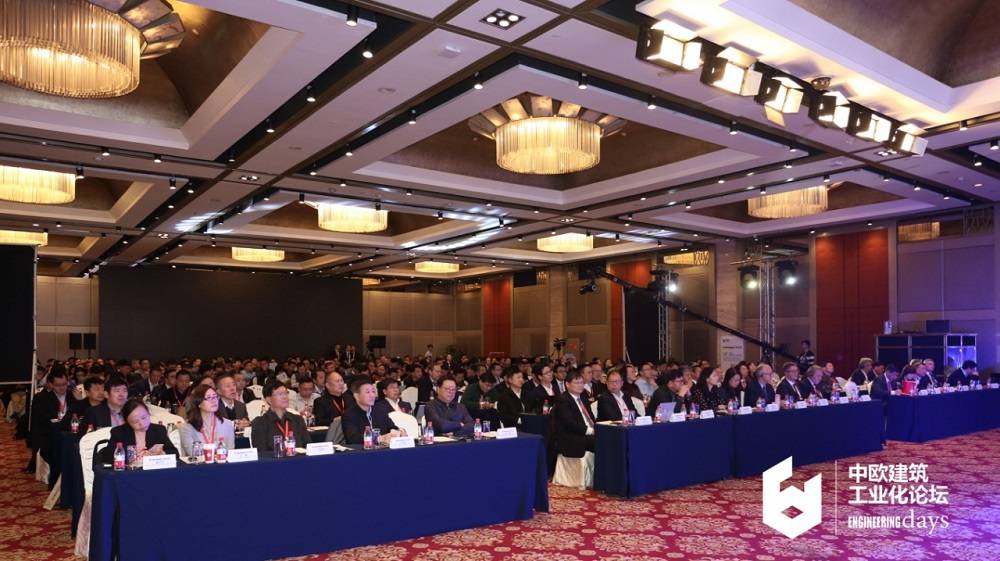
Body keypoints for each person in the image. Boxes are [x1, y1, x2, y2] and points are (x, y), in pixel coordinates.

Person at [100, 399, 178, 463]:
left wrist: (161, 454)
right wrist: (133, 455)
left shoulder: (158, 430)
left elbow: (174, 452)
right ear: (127, 423)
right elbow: (108, 457)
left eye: (144, 417)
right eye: (135, 422)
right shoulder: (119, 432)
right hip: (129, 474)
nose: (142, 424)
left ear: (148, 413)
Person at [29, 369, 76, 469]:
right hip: (50, 435)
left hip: (71, 434)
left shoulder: (73, 396)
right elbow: (39, 421)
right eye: (58, 385)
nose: (62, 387)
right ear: (51, 384)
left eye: (64, 384)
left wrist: (80, 401)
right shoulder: (42, 398)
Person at [250, 381, 309, 453]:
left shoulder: (298, 420)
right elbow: (261, 452)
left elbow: (307, 446)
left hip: (299, 459)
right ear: (269, 399)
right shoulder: (260, 423)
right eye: (280, 394)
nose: (285, 397)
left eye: (286, 393)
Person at [179, 385, 235, 457]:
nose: (214, 401)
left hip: (222, 463)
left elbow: (230, 452)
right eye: (209, 398)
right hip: (199, 463)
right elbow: (192, 453)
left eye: (215, 397)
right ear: (198, 403)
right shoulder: (187, 427)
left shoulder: (227, 424)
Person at [342, 377, 401, 445]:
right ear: (356, 396)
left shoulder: (380, 411)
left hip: (384, 448)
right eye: (367, 392)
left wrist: (398, 432)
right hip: (362, 450)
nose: (372, 395)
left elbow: (392, 427)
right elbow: (353, 438)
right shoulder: (349, 415)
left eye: (373, 391)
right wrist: (378, 439)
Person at [552, 371, 595, 458]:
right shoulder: (563, 400)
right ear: (567, 384)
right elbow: (570, 423)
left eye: (582, 383)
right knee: (601, 441)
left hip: (587, 433)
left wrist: (597, 428)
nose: (580, 385)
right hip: (572, 437)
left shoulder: (583, 399)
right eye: (577, 383)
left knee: (610, 436)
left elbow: (591, 418)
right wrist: (591, 431)